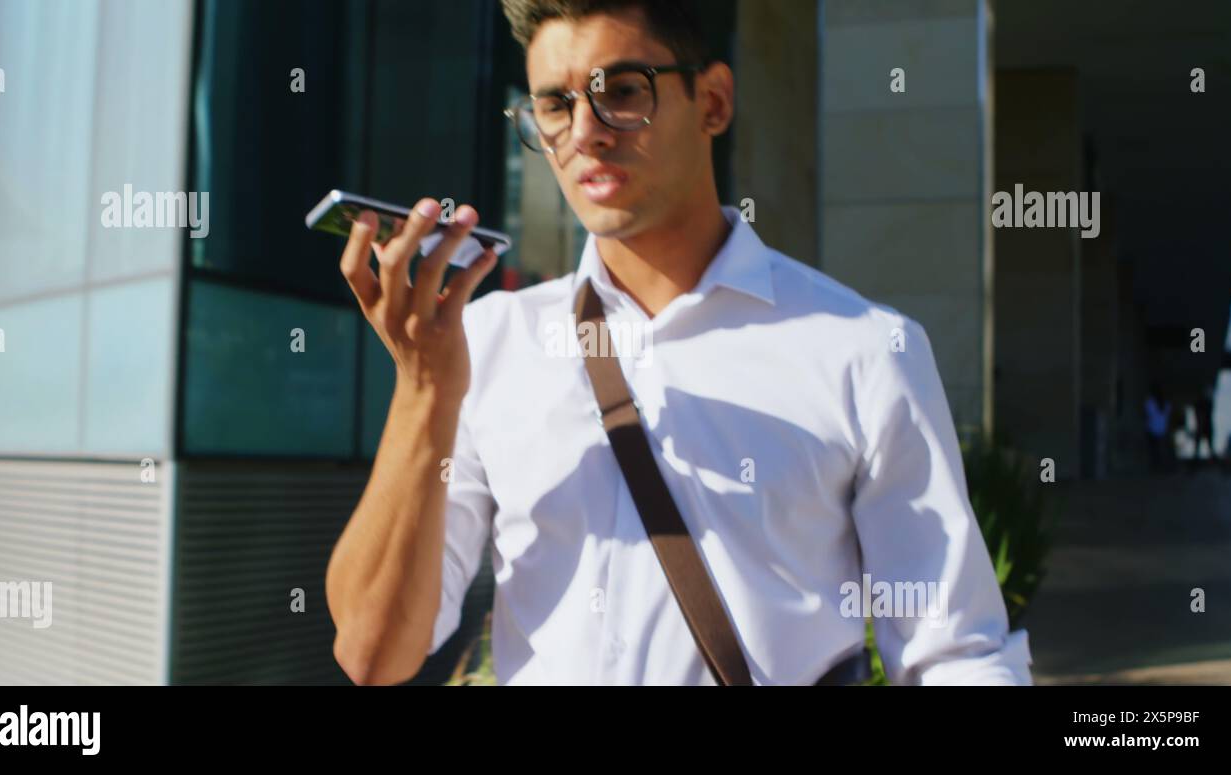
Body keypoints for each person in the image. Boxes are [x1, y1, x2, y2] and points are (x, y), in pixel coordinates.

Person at [325, 0, 1031, 685]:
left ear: (714, 102)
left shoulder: (864, 350)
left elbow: (954, 651)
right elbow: (374, 653)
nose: (586, 132)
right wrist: (424, 390)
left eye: (623, 92)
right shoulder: (490, 342)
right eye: (554, 106)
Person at [1144, 384, 1172, 473]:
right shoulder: (1166, 403)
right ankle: (1160, 468)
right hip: (1162, 429)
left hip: (1153, 429)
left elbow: (1147, 415)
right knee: (1160, 450)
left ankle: (1156, 468)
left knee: (1154, 451)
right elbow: (1168, 416)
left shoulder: (1150, 403)